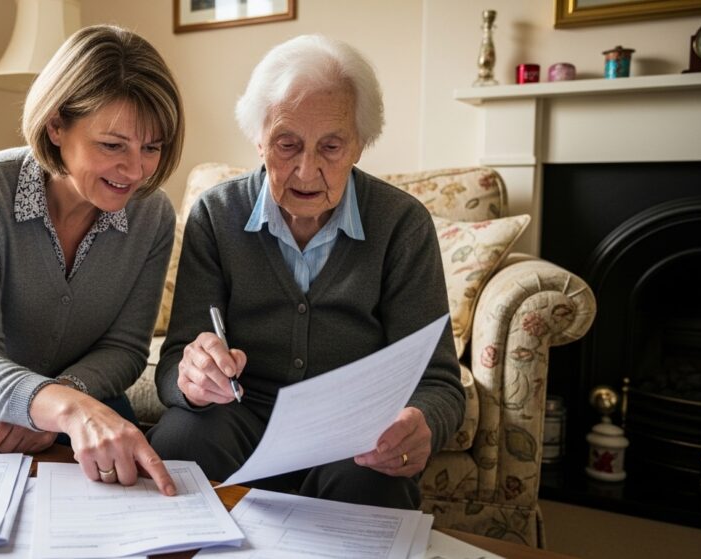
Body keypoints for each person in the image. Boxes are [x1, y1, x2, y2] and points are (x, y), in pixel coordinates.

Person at [147, 35, 464, 508]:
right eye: (287, 144)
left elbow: (439, 383)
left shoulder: (402, 224)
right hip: (239, 416)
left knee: (375, 481)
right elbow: (175, 361)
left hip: (351, 433)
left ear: (360, 145)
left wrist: (423, 422)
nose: (306, 169)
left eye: (331, 146)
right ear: (259, 139)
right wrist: (192, 379)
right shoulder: (216, 214)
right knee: (178, 440)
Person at [0, 25, 183, 495]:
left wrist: (57, 401)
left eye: (151, 147)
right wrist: (58, 408)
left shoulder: (153, 215)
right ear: (56, 125)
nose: (135, 171)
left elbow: (125, 348)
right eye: (112, 145)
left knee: (129, 456)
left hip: (77, 387)